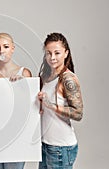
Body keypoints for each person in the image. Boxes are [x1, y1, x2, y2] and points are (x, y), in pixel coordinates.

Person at [0, 32, 32, 169]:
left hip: (16, 137)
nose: (1, 51)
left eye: (5, 46)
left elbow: (30, 107)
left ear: (13, 48)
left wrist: (24, 86)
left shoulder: (24, 73)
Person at [37, 32, 83, 169]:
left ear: (66, 53)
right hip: (46, 144)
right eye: (48, 53)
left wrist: (50, 106)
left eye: (57, 53)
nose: (52, 58)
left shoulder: (68, 78)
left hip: (60, 148)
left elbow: (78, 113)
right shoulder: (46, 77)